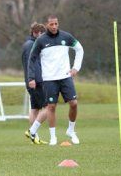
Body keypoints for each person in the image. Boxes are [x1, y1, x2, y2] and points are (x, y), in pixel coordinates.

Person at [27, 14, 84, 146]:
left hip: (65, 77)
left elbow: (79, 49)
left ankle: (71, 130)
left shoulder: (66, 37)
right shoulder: (41, 40)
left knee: (74, 103)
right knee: (51, 107)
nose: (54, 26)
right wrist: (31, 77)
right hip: (49, 79)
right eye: (51, 24)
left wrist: (76, 68)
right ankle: (53, 137)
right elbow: (32, 58)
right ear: (47, 25)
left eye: (56, 24)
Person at [22, 22, 48, 145]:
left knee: (35, 109)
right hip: (36, 81)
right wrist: (35, 79)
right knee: (49, 108)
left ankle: (34, 137)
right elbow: (31, 64)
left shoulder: (31, 44)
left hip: (32, 81)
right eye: (42, 34)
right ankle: (31, 131)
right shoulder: (31, 45)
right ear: (36, 33)